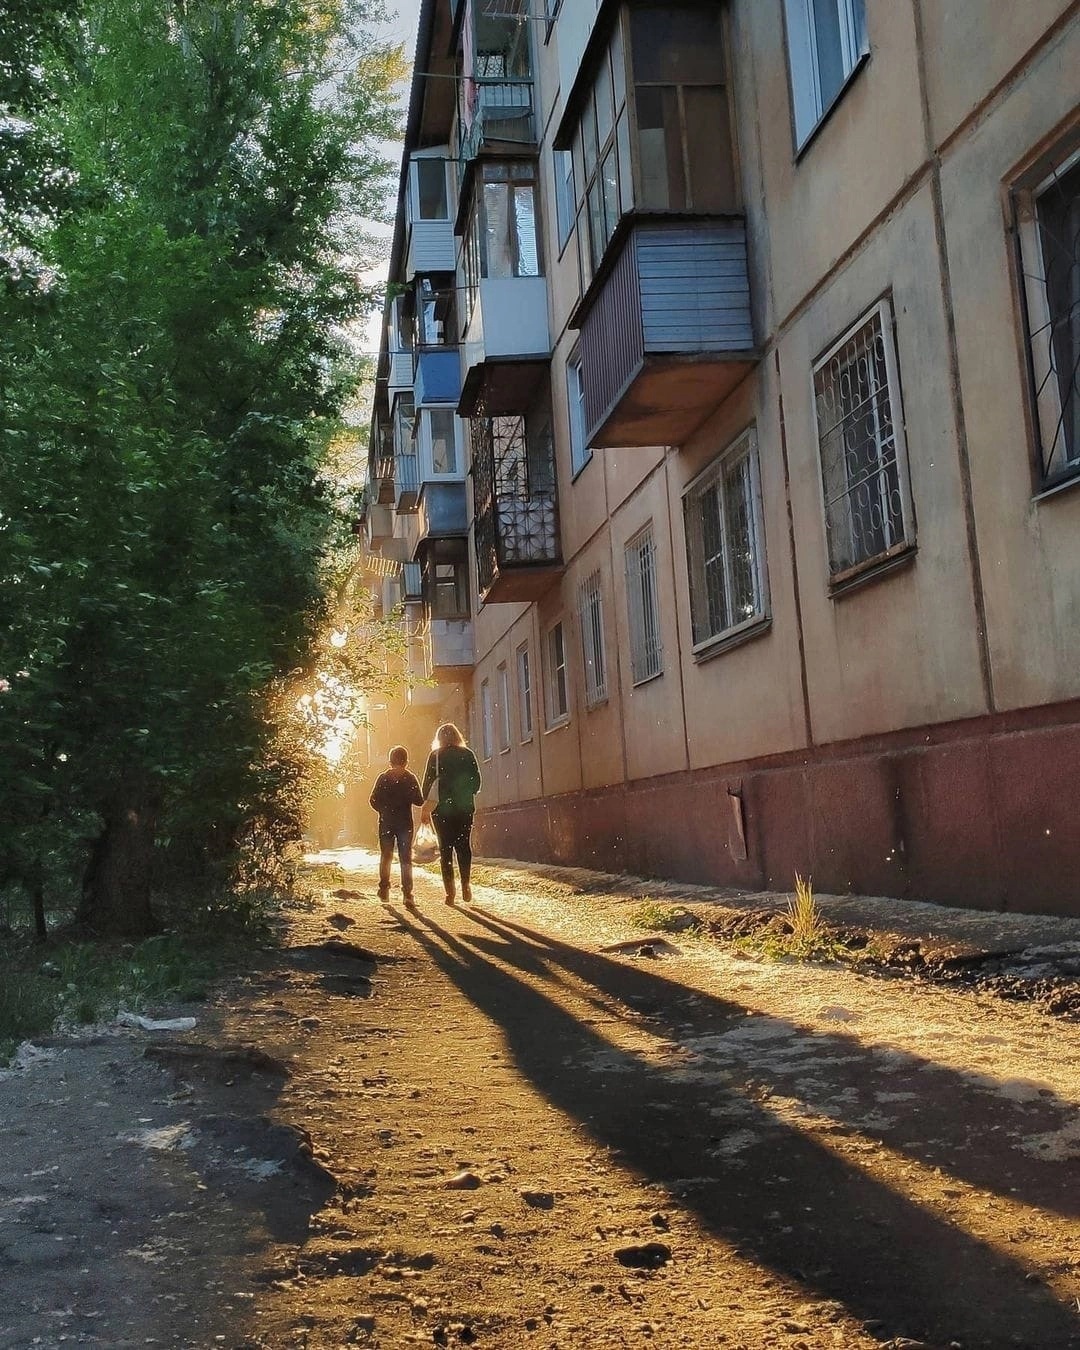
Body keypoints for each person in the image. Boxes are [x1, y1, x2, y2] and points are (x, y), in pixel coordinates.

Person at [421, 722, 481, 905]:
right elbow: (477, 781)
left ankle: (450, 892)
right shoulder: (467, 754)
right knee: (463, 846)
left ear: (439, 739)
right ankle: (466, 884)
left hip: (442, 811)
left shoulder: (435, 756)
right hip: (464, 809)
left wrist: (427, 804)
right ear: (457, 736)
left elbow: (427, 784)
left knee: (445, 849)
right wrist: (466, 792)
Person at [368, 745, 424, 907]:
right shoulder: (410, 778)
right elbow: (419, 801)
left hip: (386, 822)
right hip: (405, 823)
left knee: (386, 855)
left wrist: (383, 810)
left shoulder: (383, 778)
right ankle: (407, 894)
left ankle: (384, 889)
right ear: (406, 761)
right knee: (405, 857)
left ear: (390, 761)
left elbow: (373, 799)